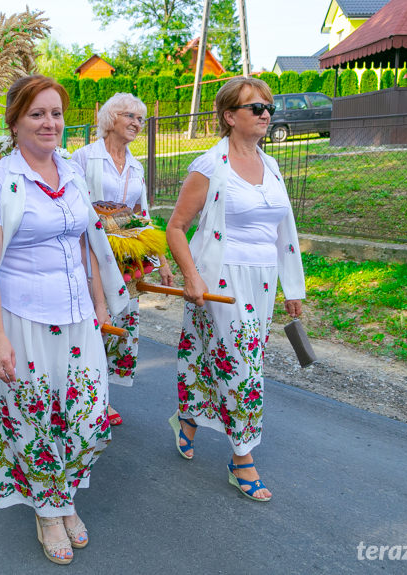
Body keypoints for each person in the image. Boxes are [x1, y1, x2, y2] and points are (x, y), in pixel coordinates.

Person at [0, 75, 129, 565]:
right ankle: (49, 509)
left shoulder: (75, 173)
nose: (49, 123)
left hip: (79, 316)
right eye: (37, 113)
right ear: (15, 122)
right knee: (34, 419)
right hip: (23, 319)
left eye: (56, 113)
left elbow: (88, 244)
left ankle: (59, 495)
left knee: (88, 421)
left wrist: (99, 302)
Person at [165, 77, 305, 502]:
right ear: (230, 116)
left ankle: (188, 415)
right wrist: (192, 276)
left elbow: (286, 231)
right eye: (255, 108)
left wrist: (291, 287)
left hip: (262, 281)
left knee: (221, 358)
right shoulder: (210, 166)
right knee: (242, 367)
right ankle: (242, 457)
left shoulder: (272, 166)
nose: (265, 114)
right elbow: (175, 228)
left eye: (268, 108)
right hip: (219, 278)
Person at [71, 93, 174, 425]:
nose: (136, 123)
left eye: (141, 119)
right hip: (89, 253)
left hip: (126, 257)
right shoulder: (83, 158)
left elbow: (142, 214)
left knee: (120, 323)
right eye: (130, 116)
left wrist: (163, 260)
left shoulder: (136, 164)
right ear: (110, 117)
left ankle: (103, 395)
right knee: (92, 322)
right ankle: (87, 396)